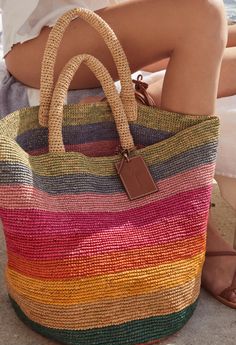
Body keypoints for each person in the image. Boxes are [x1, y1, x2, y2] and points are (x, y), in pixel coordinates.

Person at [1, 0, 236, 307]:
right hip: (41, 37)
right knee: (204, 12)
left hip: (110, 28)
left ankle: (143, 100)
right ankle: (195, 227)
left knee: (205, 21)